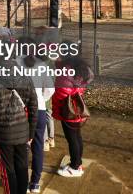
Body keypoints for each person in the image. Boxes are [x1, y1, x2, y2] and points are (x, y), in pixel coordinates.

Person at [0, 57, 38, 194]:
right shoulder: (25, 76)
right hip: (23, 130)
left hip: (1, 132)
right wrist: (31, 132)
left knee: (7, 170)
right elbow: (34, 106)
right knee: (22, 166)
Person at [16, 37, 55, 193]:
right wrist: (41, 100)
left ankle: (23, 182)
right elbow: (50, 89)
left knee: (22, 148)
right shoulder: (42, 65)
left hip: (20, 109)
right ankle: (35, 183)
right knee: (38, 146)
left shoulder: (16, 63)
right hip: (38, 109)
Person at [52, 49, 94, 178]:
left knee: (72, 139)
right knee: (76, 137)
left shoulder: (66, 71)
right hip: (78, 107)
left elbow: (61, 90)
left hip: (69, 110)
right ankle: (77, 163)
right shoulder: (80, 66)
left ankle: (75, 167)